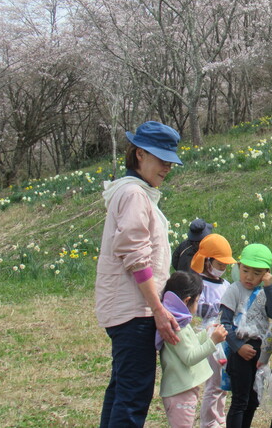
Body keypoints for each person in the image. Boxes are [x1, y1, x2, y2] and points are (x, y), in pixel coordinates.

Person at [96, 120, 183, 427]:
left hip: (129, 308)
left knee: (122, 390)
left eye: (170, 161)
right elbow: (135, 255)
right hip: (135, 310)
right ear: (140, 154)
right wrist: (157, 309)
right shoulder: (134, 194)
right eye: (161, 159)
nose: (167, 167)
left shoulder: (134, 191)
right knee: (133, 396)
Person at [156, 271, 228, 428]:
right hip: (181, 391)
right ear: (187, 301)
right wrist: (213, 341)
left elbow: (189, 343)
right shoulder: (178, 326)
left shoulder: (178, 319)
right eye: (197, 301)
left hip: (182, 389)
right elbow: (189, 357)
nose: (197, 306)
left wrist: (206, 333)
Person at [220, 243, 272, 428]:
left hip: (259, 353)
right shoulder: (234, 290)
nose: (249, 277)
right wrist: (238, 347)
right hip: (240, 352)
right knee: (240, 399)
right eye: (245, 270)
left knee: (254, 399)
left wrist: (269, 287)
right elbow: (225, 323)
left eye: (257, 273)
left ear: (266, 273)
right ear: (238, 267)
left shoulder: (263, 291)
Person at [190, 233, 238, 428]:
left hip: (224, 336)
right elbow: (197, 310)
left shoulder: (226, 285)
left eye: (225, 265)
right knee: (214, 383)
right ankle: (209, 422)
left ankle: (219, 417)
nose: (223, 268)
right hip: (209, 336)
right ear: (207, 261)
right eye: (219, 264)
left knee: (223, 381)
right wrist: (220, 307)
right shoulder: (198, 284)